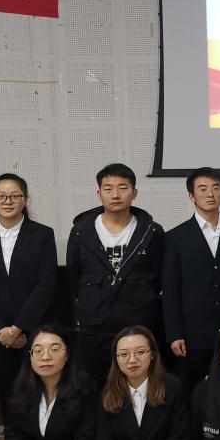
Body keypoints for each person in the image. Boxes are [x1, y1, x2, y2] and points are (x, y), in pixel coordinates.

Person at [0, 173, 57, 411]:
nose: (8, 201)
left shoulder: (43, 235)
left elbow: (45, 285)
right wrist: (0, 330)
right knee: (8, 397)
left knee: (42, 394)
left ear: (25, 200)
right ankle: (13, 437)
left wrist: (18, 329)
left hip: (35, 332)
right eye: (1, 196)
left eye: (15, 196)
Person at [67, 163, 164, 382]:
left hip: (139, 324)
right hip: (95, 328)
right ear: (99, 194)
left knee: (140, 383)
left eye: (123, 188)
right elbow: (74, 276)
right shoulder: (81, 231)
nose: (116, 195)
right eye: (108, 188)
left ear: (134, 193)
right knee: (94, 385)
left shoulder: (152, 231)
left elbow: (158, 277)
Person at [163, 167, 220, 395]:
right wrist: (174, 333)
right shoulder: (175, 237)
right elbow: (170, 291)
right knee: (194, 392)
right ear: (192, 196)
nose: (210, 194)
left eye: (216, 188)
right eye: (202, 189)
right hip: (193, 332)